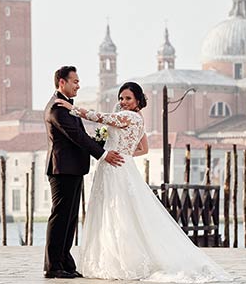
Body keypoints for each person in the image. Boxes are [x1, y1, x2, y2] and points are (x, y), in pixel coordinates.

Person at [55, 81, 231, 282]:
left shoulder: (128, 116)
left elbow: (99, 117)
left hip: (115, 168)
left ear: (138, 100)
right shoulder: (138, 119)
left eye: (128, 98)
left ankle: (120, 260)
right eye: (121, 98)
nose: (123, 102)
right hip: (123, 165)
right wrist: (124, 152)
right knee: (121, 211)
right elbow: (144, 149)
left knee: (117, 212)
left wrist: (72, 108)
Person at [43, 66, 125, 279]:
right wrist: (103, 154)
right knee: (60, 217)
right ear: (62, 82)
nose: (78, 85)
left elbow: (81, 134)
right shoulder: (57, 109)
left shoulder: (67, 106)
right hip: (62, 170)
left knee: (70, 218)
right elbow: (76, 137)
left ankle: (65, 262)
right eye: (75, 81)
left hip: (73, 169)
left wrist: (99, 139)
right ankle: (53, 266)